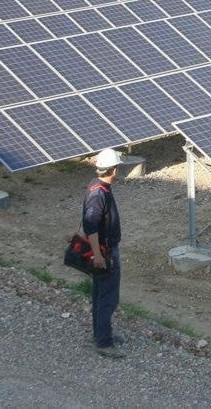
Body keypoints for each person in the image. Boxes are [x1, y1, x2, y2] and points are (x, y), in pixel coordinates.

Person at [83, 147, 125, 359]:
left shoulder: (97, 187)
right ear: (114, 170)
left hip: (104, 249)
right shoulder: (99, 193)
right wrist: (97, 255)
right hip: (105, 251)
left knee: (100, 294)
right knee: (107, 297)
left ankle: (101, 333)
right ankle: (104, 342)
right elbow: (90, 223)